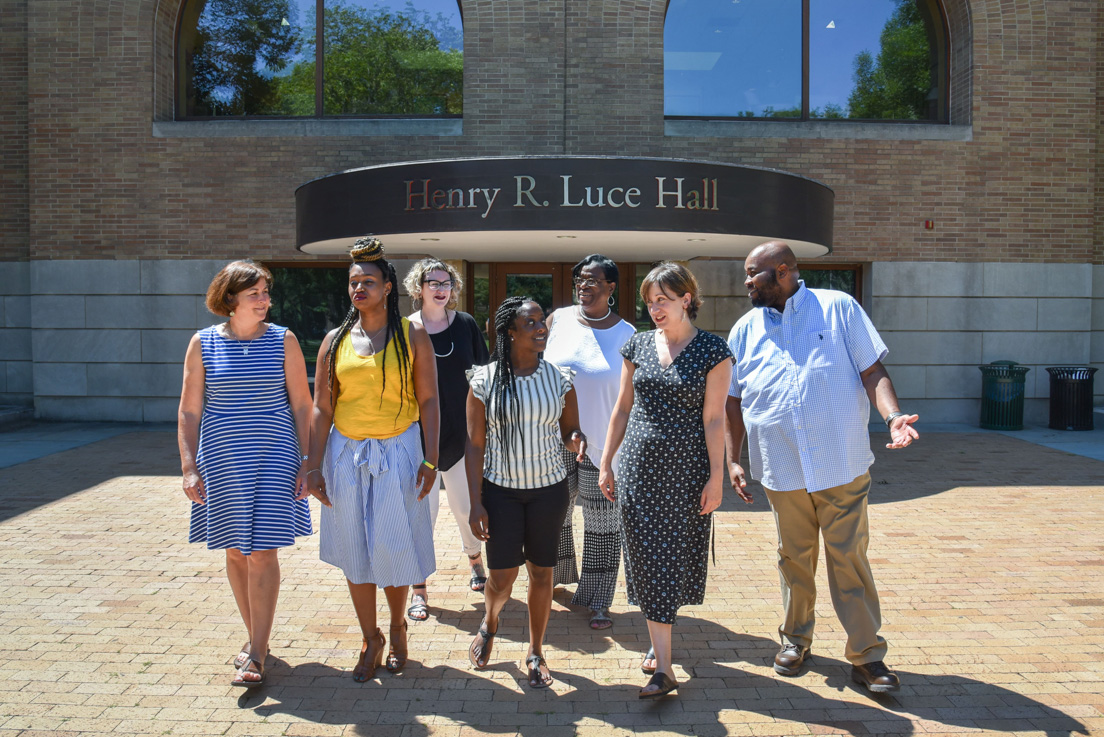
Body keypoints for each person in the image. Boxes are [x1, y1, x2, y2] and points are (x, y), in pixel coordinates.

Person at [724, 240, 919, 695]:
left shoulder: (839, 308)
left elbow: (872, 371)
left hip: (841, 463)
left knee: (848, 559)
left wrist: (892, 418)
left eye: (754, 273)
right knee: (793, 559)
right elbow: (732, 401)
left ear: (785, 271)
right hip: (782, 467)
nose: (747, 282)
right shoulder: (744, 329)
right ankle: (795, 641)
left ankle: (868, 657)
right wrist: (734, 459)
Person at [303, 237, 440, 682]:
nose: (358, 289)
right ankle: (371, 637)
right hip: (346, 454)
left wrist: (431, 460)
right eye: (353, 282)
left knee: (393, 545)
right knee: (354, 550)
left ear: (387, 287)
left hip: (399, 451)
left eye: (368, 281)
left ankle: (398, 626)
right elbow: (322, 407)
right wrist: (313, 465)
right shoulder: (334, 340)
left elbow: (430, 400)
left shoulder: (411, 333)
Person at [597, 262, 733, 699]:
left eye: (663, 300)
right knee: (645, 556)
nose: (655, 309)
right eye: (650, 301)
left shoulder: (714, 350)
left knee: (670, 558)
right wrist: (606, 461)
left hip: (684, 473)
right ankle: (664, 662)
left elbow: (714, 419)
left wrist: (717, 477)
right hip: (638, 468)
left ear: (686, 299)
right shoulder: (636, 345)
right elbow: (621, 408)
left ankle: (662, 655)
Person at [177, 260, 313, 688]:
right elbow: (189, 410)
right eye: (254, 293)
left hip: (275, 458)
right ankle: (257, 638)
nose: (264, 300)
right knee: (235, 552)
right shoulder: (202, 343)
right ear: (230, 299)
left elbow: (302, 406)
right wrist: (187, 467)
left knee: (263, 551)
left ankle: (256, 650)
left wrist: (308, 463)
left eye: (266, 292)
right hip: (221, 462)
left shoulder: (283, 340)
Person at [465, 296, 586, 689]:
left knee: (542, 573)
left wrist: (576, 440)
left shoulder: (559, 378)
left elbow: (570, 430)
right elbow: (474, 446)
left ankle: (535, 650)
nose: (540, 329)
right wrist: (475, 501)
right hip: (500, 493)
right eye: (531, 323)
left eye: (542, 322)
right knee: (501, 579)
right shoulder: (483, 381)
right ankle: (491, 620)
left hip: (549, 491)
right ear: (510, 332)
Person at [544, 254, 635, 630]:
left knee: (602, 525)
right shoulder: (558, 320)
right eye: (580, 279)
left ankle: (599, 599)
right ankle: (555, 578)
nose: (584, 285)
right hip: (552, 441)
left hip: (603, 446)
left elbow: (631, 396)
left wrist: (616, 454)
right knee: (553, 518)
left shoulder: (627, 334)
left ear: (611, 287)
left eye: (593, 280)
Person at [403, 258, 491, 621]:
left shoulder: (467, 324)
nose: (440, 288)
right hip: (419, 437)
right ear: (418, 288)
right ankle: (419, 588)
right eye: (432, 282)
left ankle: (475, 561)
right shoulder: (406, 328)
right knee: (421, 513)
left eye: (446, 282)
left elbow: (485, 375)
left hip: (463, 434)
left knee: (467, 508)